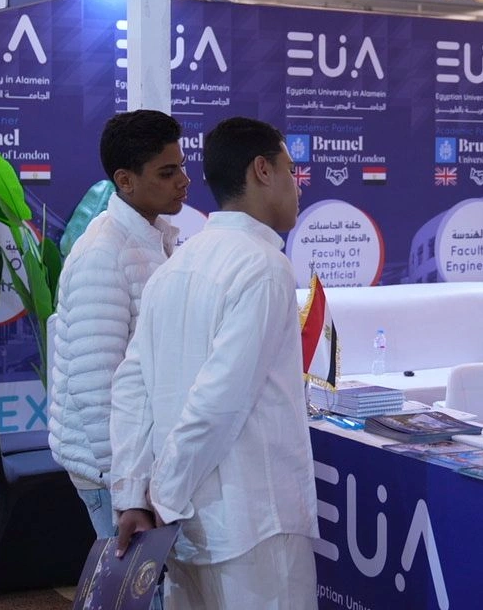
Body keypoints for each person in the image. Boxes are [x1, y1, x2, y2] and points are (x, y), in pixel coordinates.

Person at [110, 116, 317, 610]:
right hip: (253, 525)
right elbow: (219, 402)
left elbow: (132, 389)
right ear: (262, 170)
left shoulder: (175, 266)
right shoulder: (264, 268)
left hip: (186, 528)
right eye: (291, 169)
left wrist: (136, 494)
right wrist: (161, 496)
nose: (298, 185)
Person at [48, 109, 187, 545]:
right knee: (133, 579)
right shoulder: (102, 254)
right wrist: (126, 490)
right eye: (167, 172)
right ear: (125, 180)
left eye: (181, 167)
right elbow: (97, 387)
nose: (183, 181)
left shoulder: (151, 239)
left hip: (138, 460)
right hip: (111, 470)